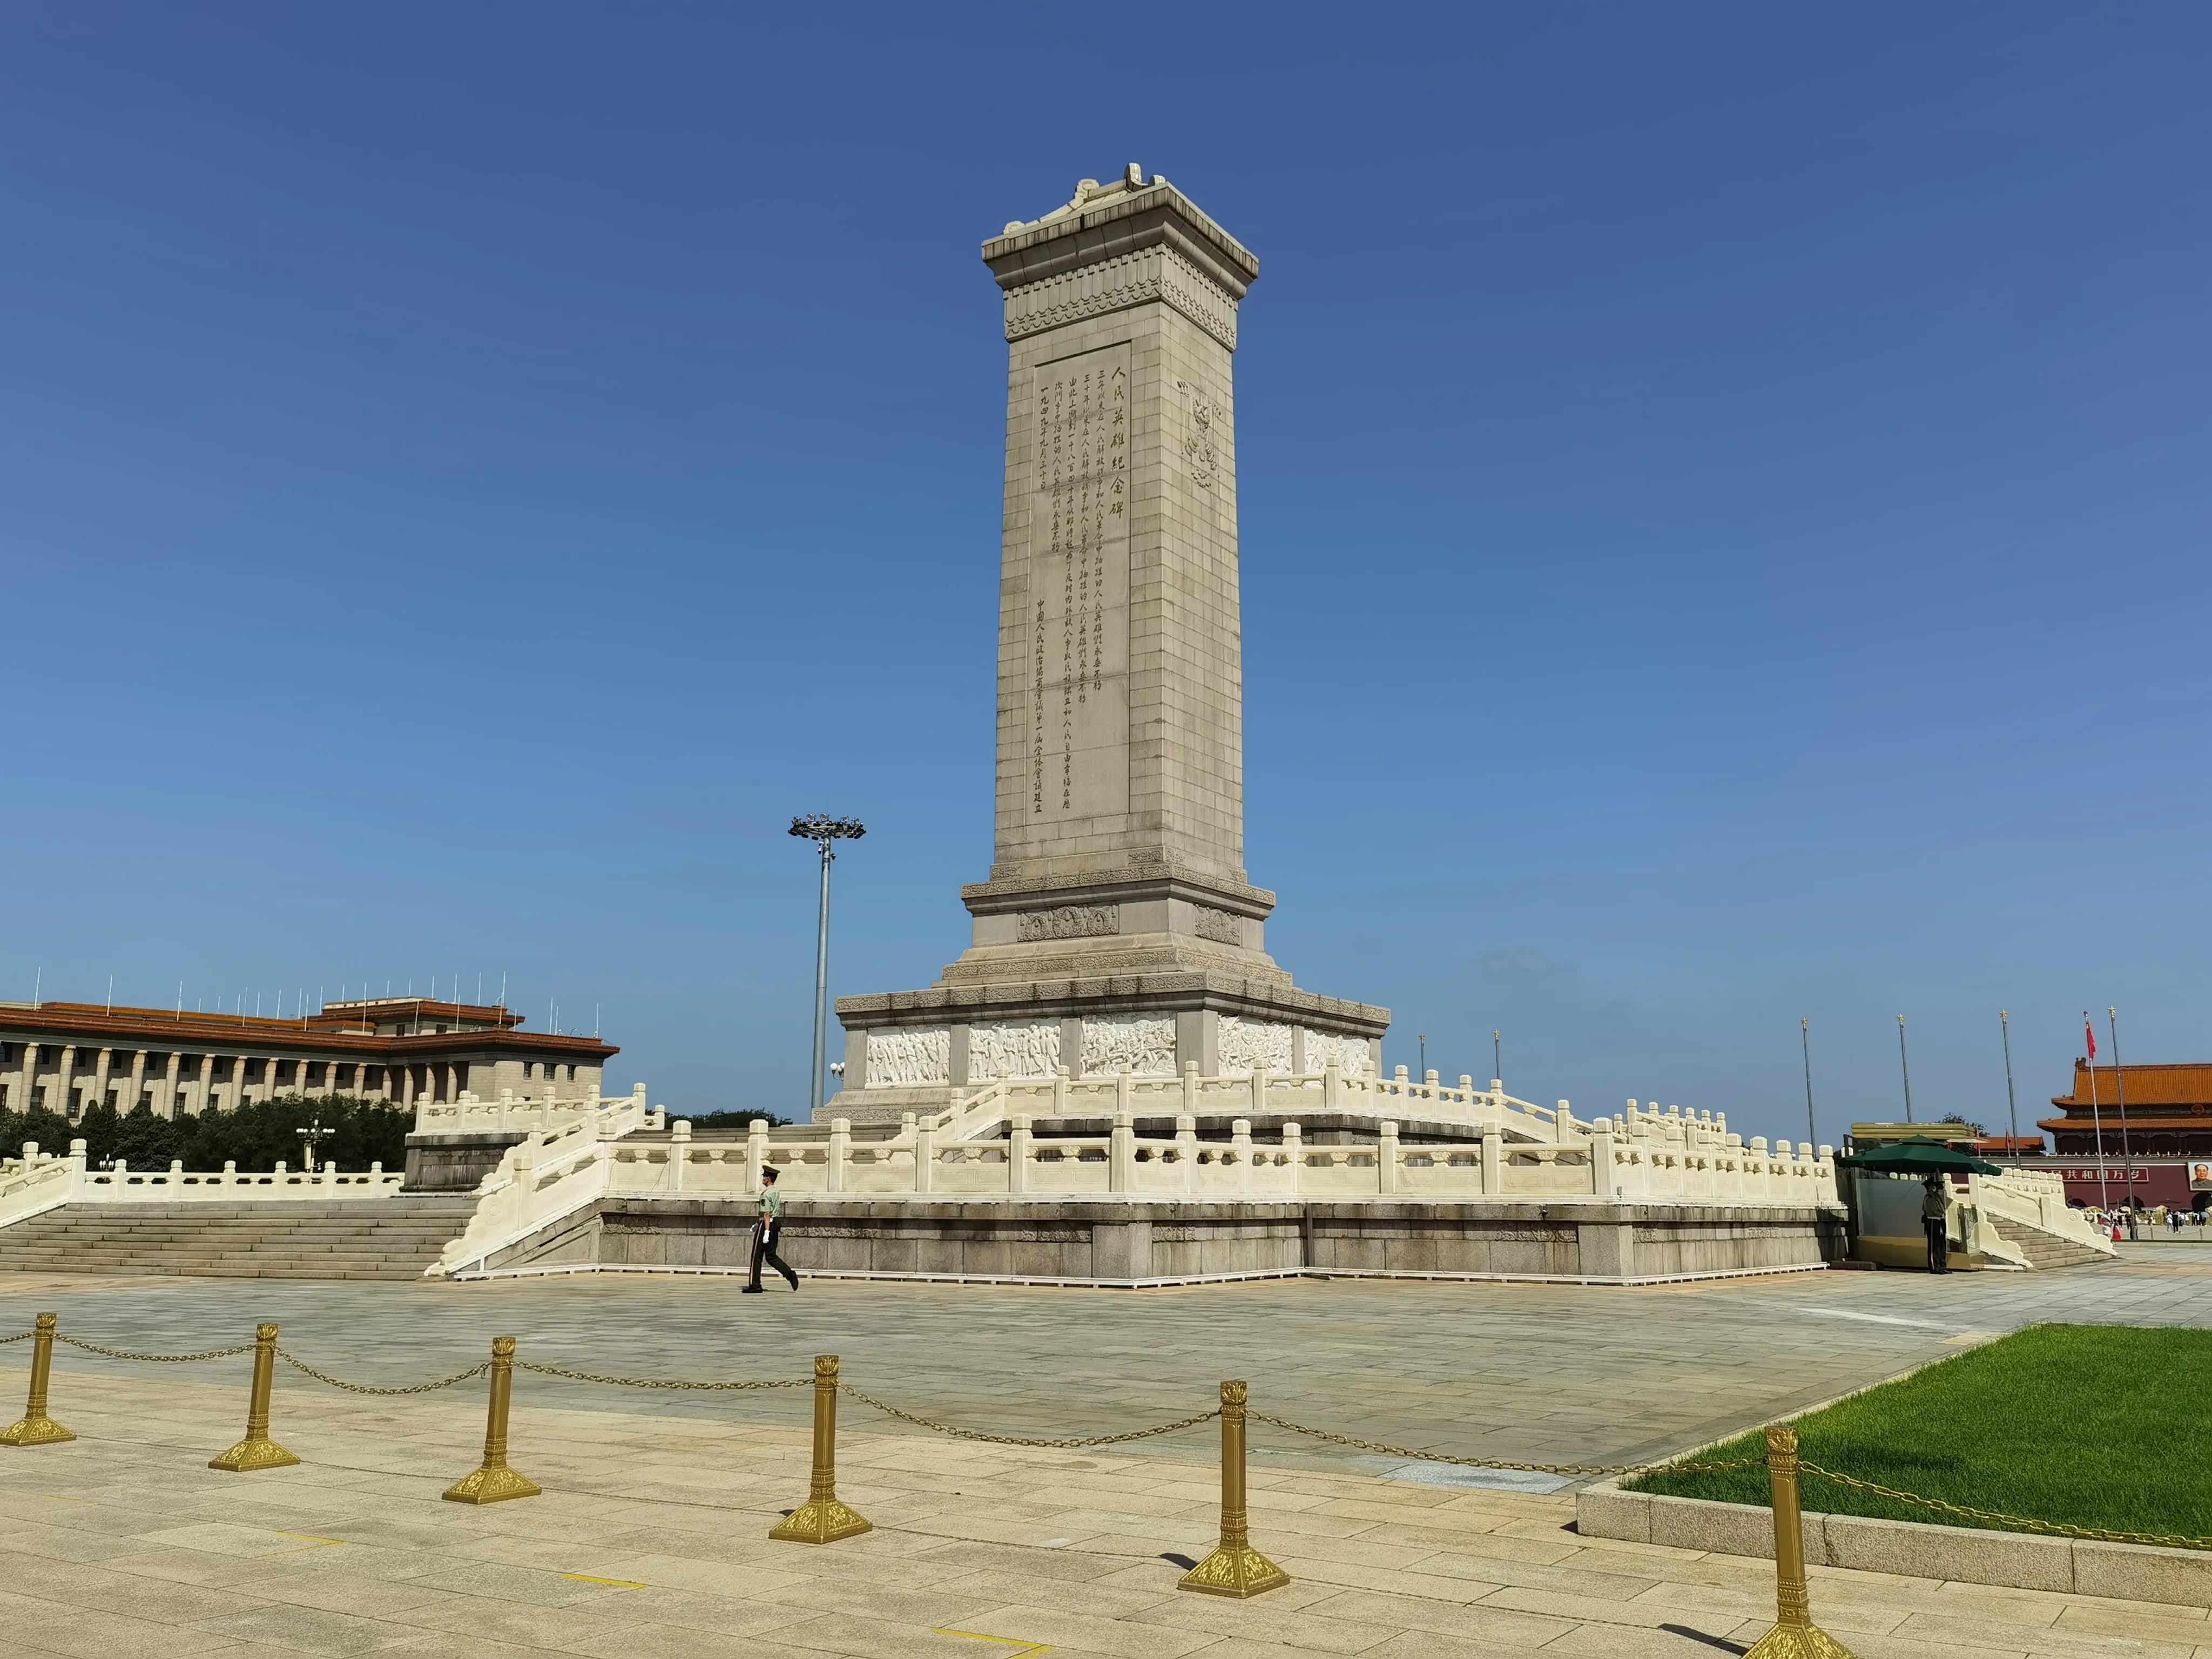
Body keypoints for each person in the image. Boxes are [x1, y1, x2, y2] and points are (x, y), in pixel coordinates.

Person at [744, 1165, 799, 1293]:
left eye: (764, 1177)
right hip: (776, 1223)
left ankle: (755, 1285)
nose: (763, 1179)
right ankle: (790, 1274)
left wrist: (765, 1230)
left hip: (767, 1225)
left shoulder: (766, 1194)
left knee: (756, 1257)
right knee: (771, 1256)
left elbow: (767, 1214)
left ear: (768, 1179)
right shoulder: (776, 1191)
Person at [1921, 1175, 1950, 1274]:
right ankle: (1935, 1267)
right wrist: (1942, 1214)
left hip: (1940, 1221)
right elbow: (1935, 1211)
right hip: (1933, 1221)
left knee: (1942, 1244)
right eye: (1933, 1186)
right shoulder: (1929, 1198)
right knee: (1935, 1245)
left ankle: (1942, 1266)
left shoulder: (1937, 1197)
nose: (1936, 1188)